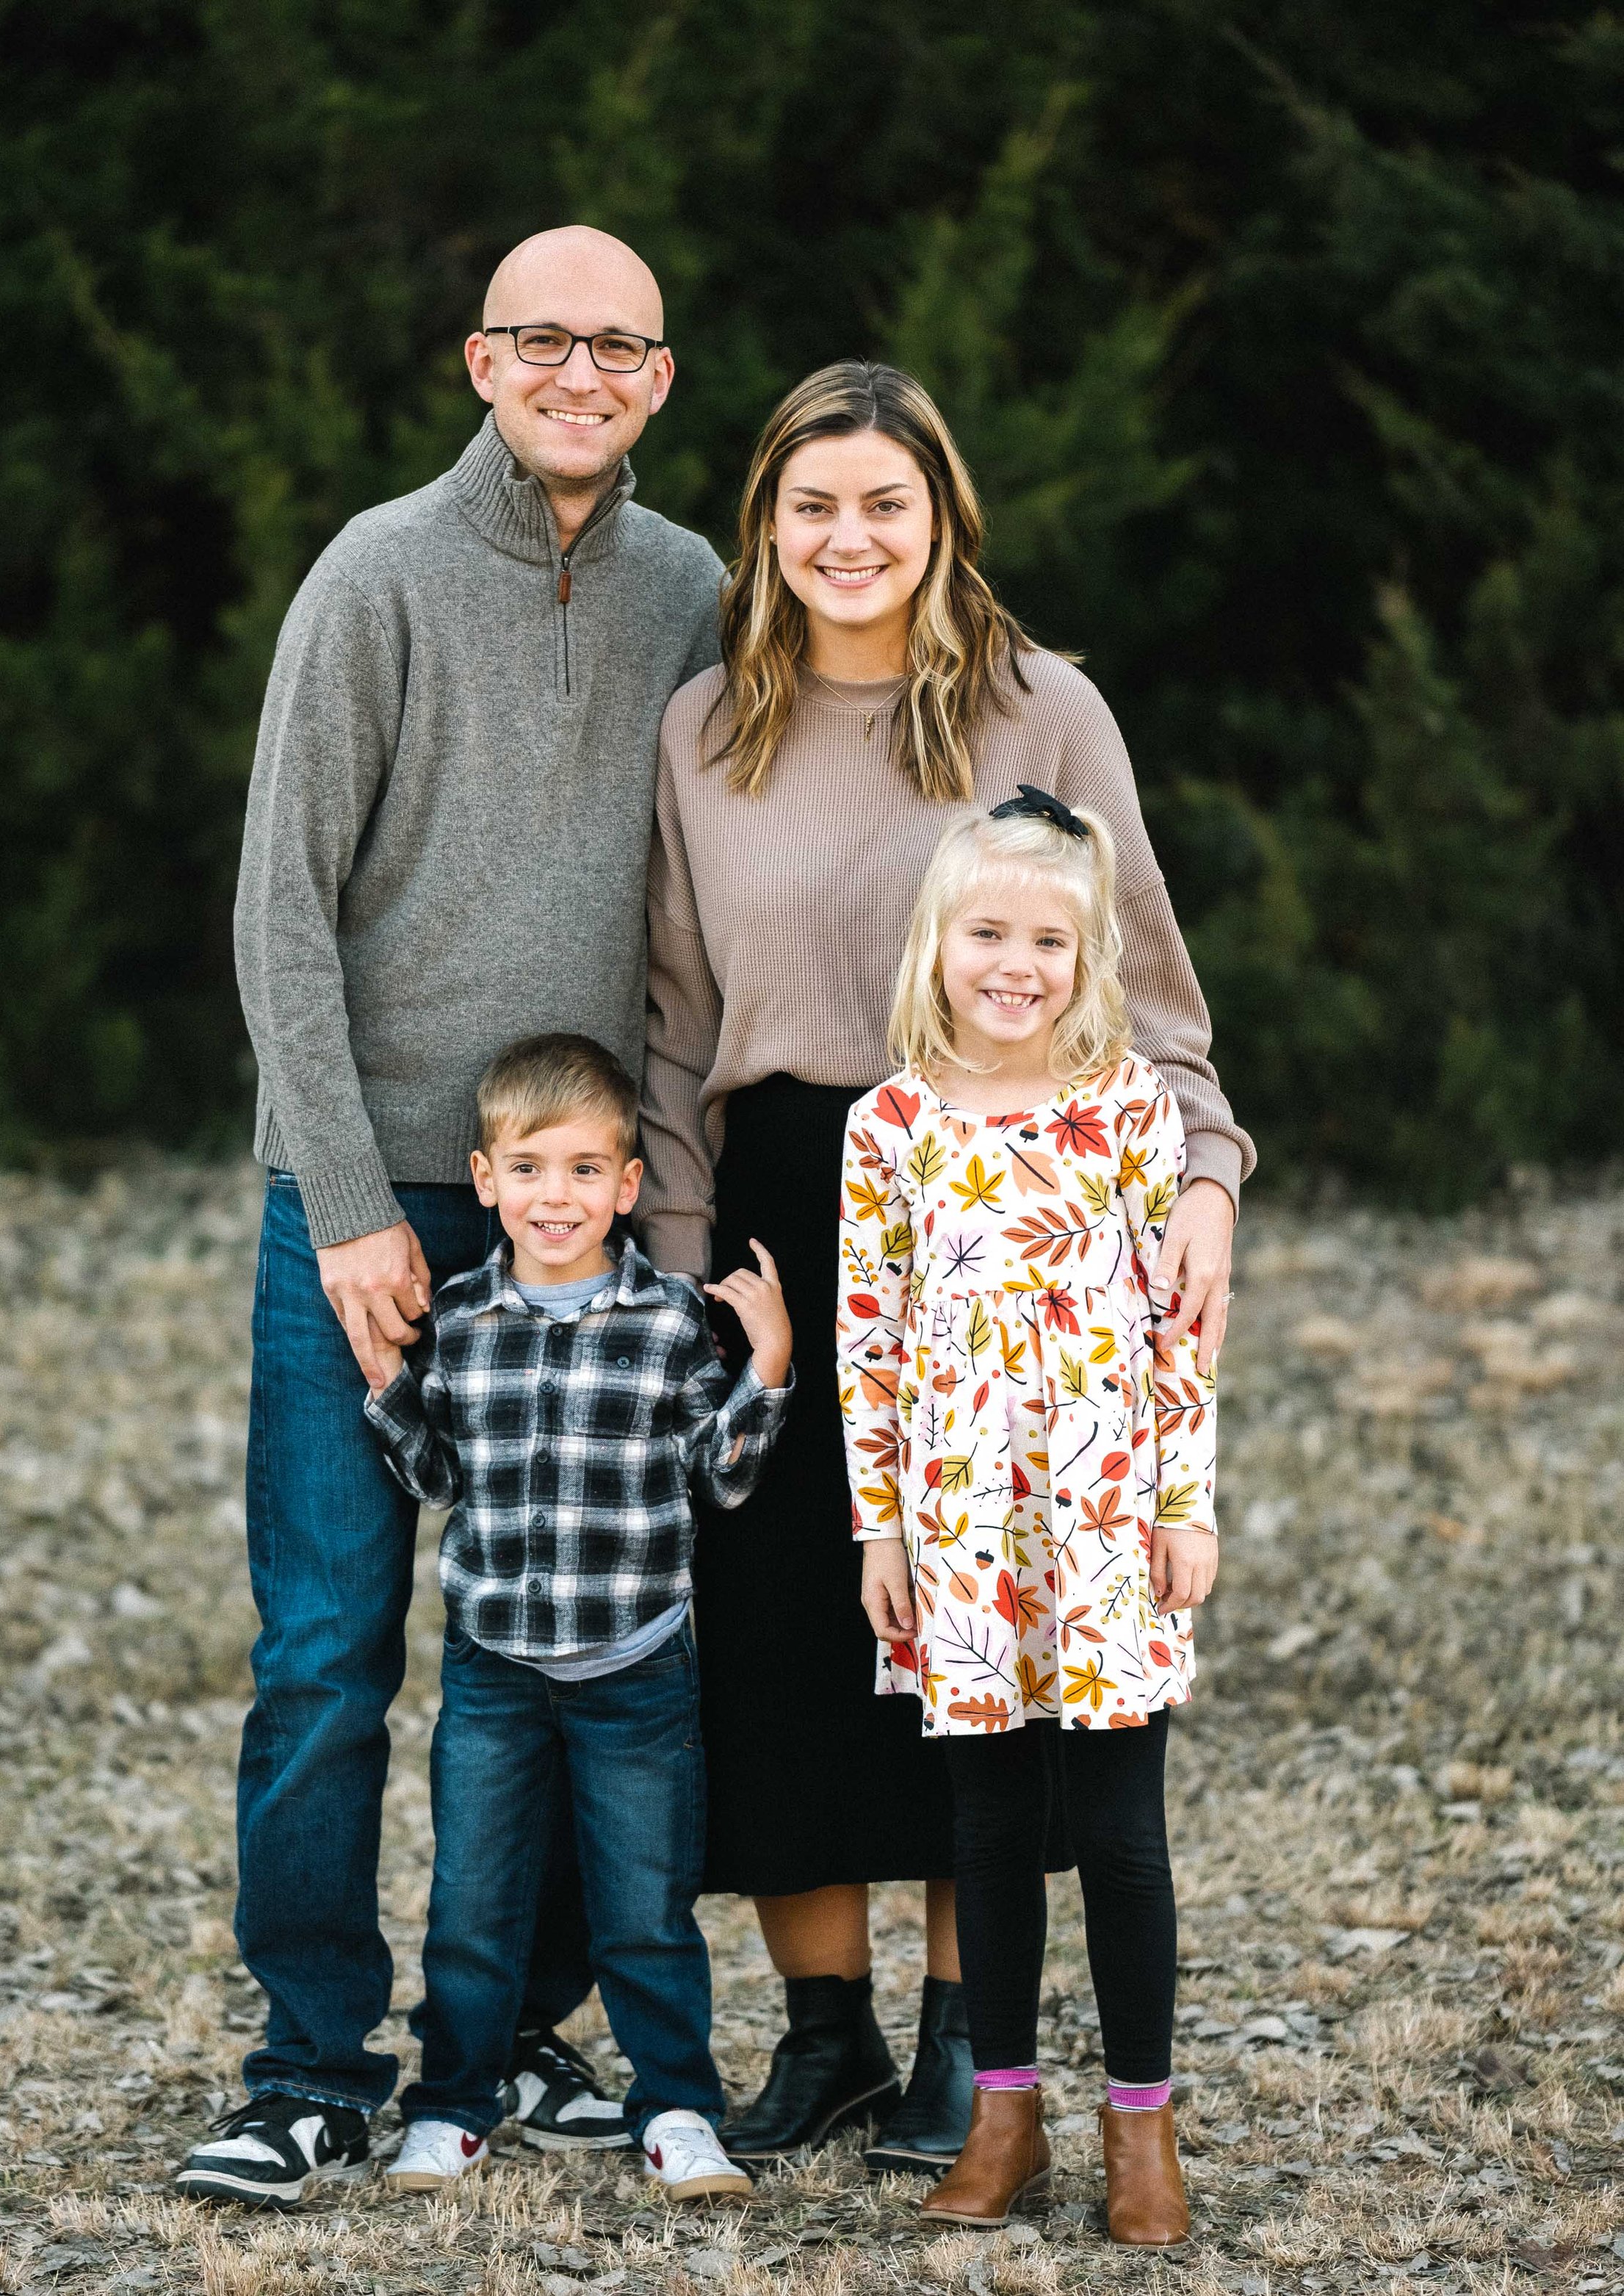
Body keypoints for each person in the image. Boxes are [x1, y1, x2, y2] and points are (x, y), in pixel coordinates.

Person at [638, 360, 1252, 2176]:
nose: (848, 537)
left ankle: (964, 2048)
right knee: (783, 1624)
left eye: (884, 505)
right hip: (777, 1202)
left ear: (940, 518)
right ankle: (821, 2033)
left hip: (1013, 1204)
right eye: (811, 504)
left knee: (978, 1621)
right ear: (765, 524)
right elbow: (673, 1020)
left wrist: (1202, 1174)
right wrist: (678, 1278)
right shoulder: (704, 729)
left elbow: (1142, 980)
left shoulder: (1040, 707)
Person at [181, 227, 724, 2208]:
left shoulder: (693, 590)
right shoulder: (375, 573)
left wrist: (664, 1193)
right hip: (379, 1187)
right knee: (332, 1642)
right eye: (541, 340)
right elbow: (279, 910)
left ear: (658, 378)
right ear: (480, 361)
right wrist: (345, 1203)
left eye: (617, 346)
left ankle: (517, 2029)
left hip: (576, 1199)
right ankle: (309, 2061)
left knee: (584, 1633)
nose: (579, 373)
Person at [842, 798, 1216, 2246]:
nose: (1015, 964)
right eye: (987, 932)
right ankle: (1003, 2117)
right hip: (959, 1528)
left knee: (1119, 1834)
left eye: (1048, 941)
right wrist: (881, 1533)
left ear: (1088, 957)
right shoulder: (889, 1125)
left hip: (1105, 1515)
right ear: (937, 943)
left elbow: (1177, 1330)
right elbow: (870, 1343)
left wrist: (1181, 1503)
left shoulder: (1128, 1107)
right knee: (988, 1827)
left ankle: (1141, 2129)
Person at [363, 1034, 794, 2201]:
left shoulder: (668, 1319)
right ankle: (453, 2106)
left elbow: (720, 1478)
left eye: (586, 1169)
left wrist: (767, 1368)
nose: (558, 1196)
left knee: (645, 1910)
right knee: (472, 1906)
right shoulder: (459, 1318)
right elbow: (437, 1475)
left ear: (628, 1182)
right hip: (495, 1666)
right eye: (530, 1168)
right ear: (486, 1178)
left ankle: (678, 2111)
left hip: (637, 1666)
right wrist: (388, 1384)